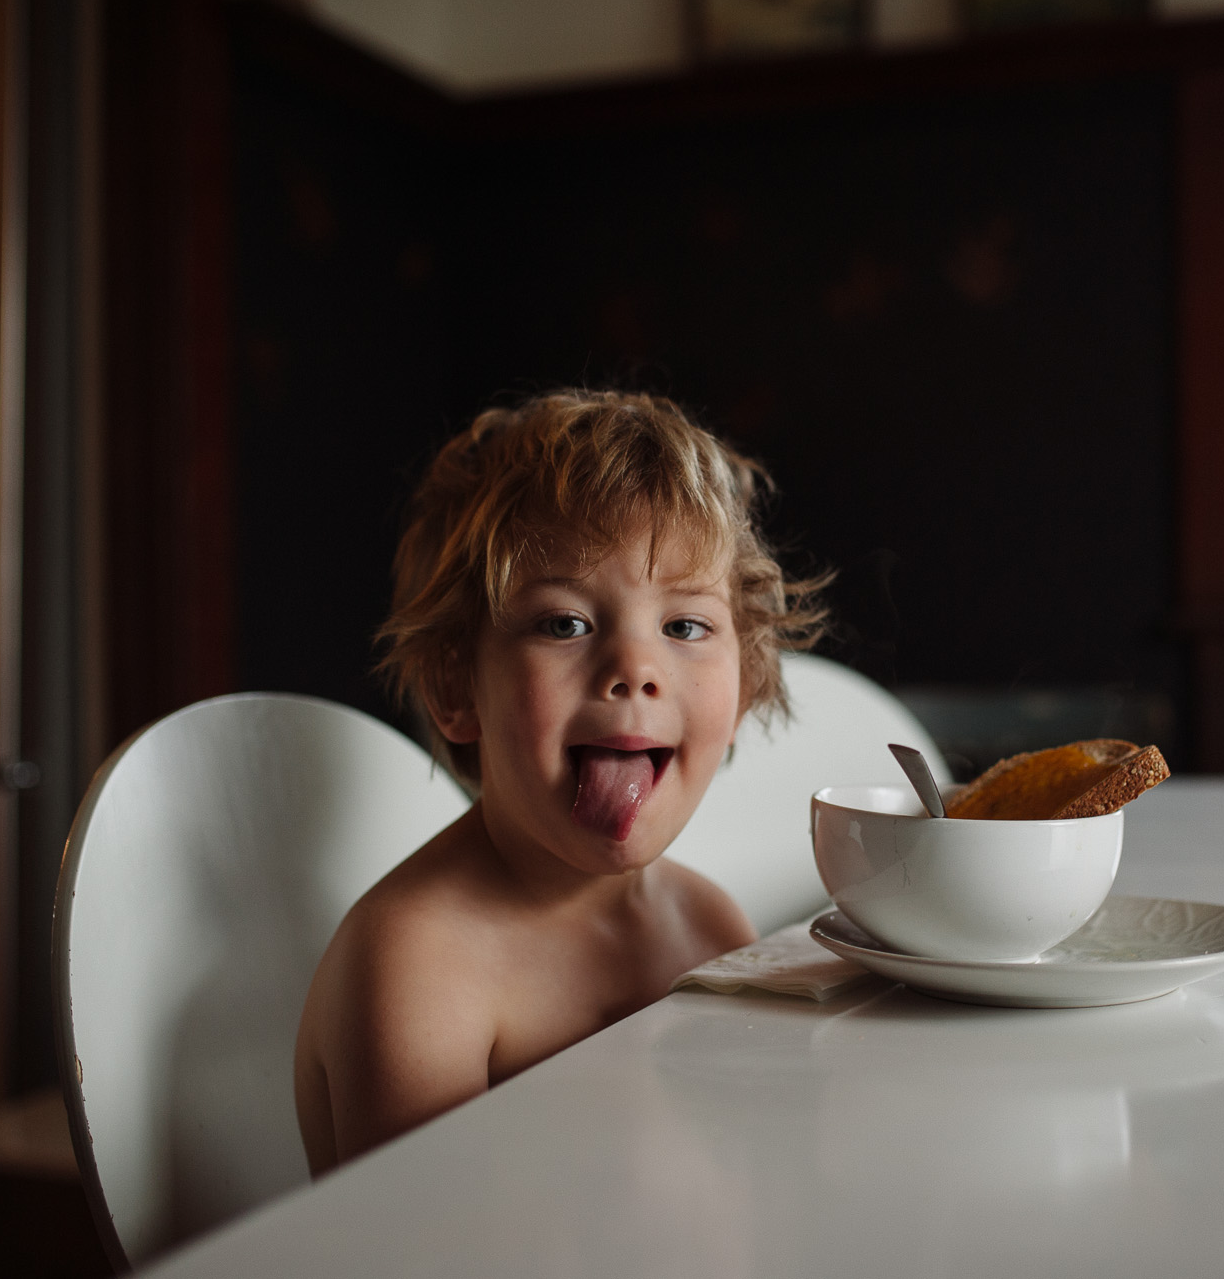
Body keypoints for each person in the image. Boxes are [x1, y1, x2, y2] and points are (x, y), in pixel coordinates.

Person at [294, 389, 828, 1174]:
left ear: (744, 685)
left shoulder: (708, 925)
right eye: (564, 623)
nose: (635, 669)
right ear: (456, 685)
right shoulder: (417, 965)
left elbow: (745, 1171)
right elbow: (423, 1242)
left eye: (685, 626)